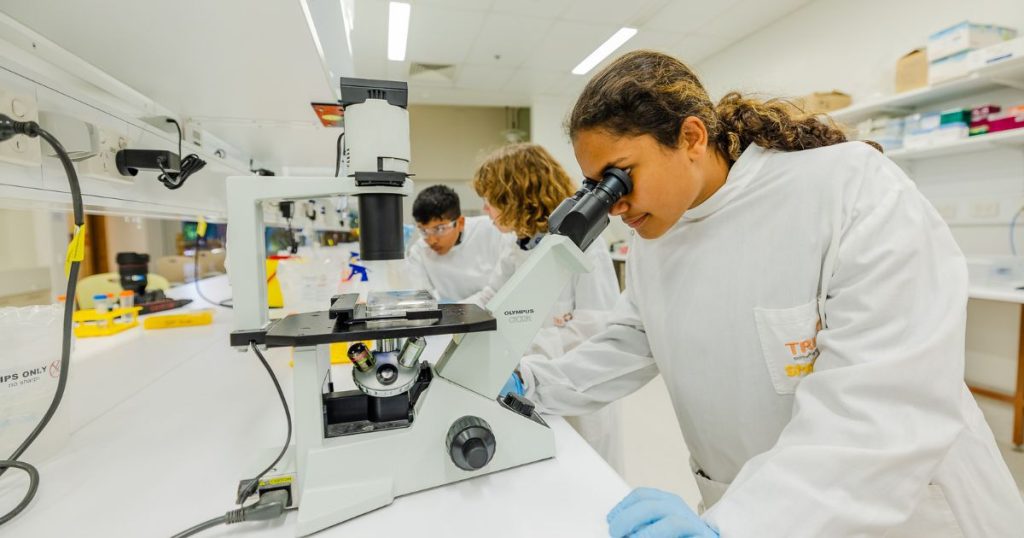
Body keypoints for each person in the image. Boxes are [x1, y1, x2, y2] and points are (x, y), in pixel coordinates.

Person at [510, 50, 1024, 537]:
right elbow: (633, 339)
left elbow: (882, 406)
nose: (613, 206)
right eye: (597, 185)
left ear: (691, 138)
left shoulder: (848, 187)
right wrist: (528, 384)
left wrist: (747, 521)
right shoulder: (658, 237)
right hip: (758, 509)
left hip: (896, 512)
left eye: (620, 177)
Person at [468, 143, 626, 472]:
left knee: (585, 476)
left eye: (492, 199)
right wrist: (447, 316)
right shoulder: (517, 244)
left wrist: (525, 350)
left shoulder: (585, 247)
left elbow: (594, 327)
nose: (486, 210)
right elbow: (491, 297)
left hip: (573, 390)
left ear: (517, 195)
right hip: (526, 381)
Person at [406, 185, 507, 303]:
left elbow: (501, 288)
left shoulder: (492, 231)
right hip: (448, 318)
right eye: (423, 230)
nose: (431, 240)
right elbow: (422, 298)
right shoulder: (419, 250)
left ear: (460, 222)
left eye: (439, 229)